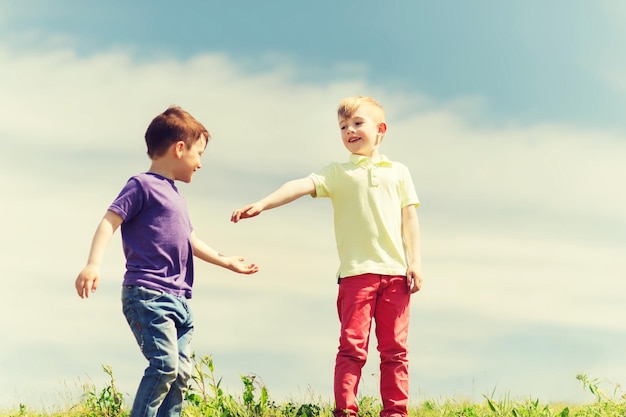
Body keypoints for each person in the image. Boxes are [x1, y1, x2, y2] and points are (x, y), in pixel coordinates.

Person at [231, 96, 423, 417]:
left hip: (395, 275)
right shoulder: (337, 172)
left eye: (358, 123)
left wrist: (415, 261)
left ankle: (395, 412)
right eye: (343, 127)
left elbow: (409, 220)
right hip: (355, 276)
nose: (349, 130)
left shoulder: (399, 172)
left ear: (381, 129)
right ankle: (345, 411)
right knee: (352, 349)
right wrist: (263, 203)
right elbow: (300, 185)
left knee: (395, 351)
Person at [75, 106, 259, 417]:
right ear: (179, 149)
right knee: (164, 366)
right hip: (148, 295)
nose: (200, 163)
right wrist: (93, 264)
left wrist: (226, 261)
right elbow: (109, 221)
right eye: (199, 153)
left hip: (180, 299)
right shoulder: (141, 186)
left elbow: (192, 241)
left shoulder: (177, 197)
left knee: (182, 374)